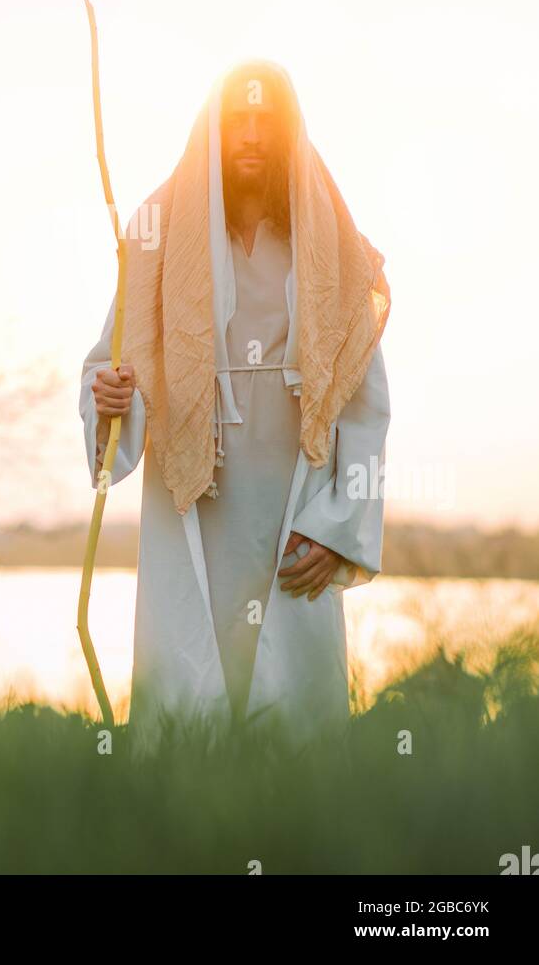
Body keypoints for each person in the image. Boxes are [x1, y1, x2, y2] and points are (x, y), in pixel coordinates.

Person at [78, 59, 391, 754]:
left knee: (295, 718)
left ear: (288, 133)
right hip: (192, 498)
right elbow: (113, 363)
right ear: (211, 130)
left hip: (294, 505)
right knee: (189, 696)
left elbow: (365, 402)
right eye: (235, 119)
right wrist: (109, 402)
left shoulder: (328, 240)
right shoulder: (155, 234)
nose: (250, 135)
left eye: (265, 121)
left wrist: (338, 527)